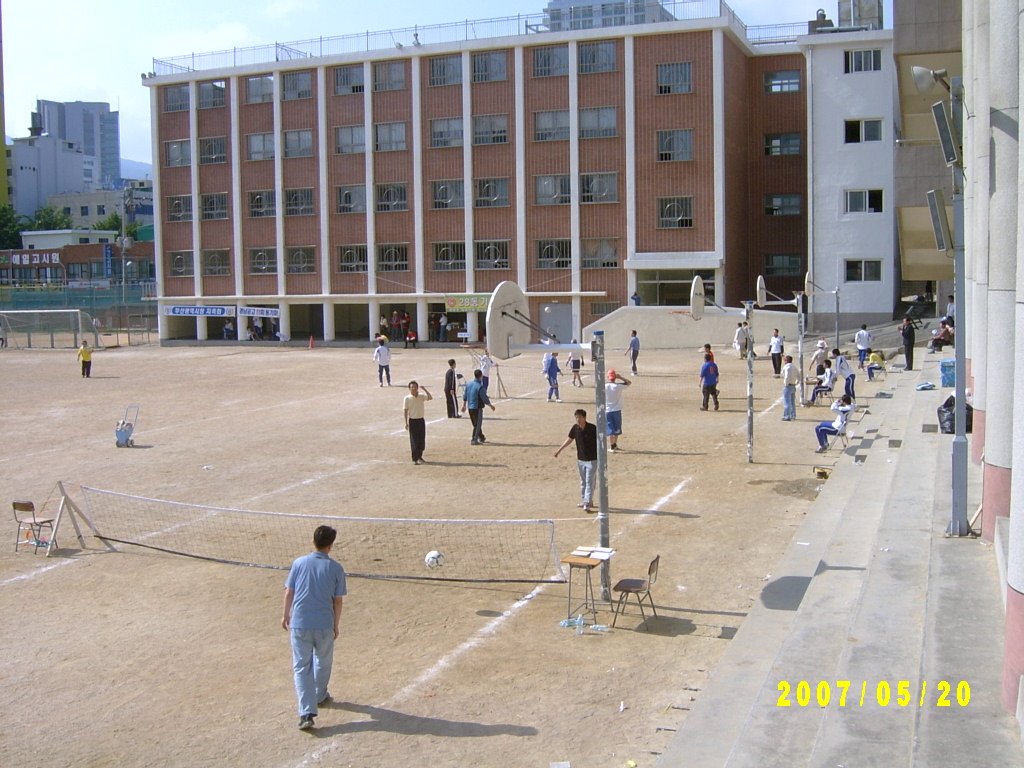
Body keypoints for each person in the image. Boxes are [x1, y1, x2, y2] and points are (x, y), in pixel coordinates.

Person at [282, 525, 347, 731]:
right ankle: (319, 695)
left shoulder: (299, 563)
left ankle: (306, 712)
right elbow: (338, 601)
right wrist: (336, 625)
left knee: (301, 667)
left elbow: (289, 592)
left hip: (300, 623)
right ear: (331, 545)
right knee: (323, 662)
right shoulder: (336, 568)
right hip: (324, 624)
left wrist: (286, 615)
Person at [553, 409, 598, 512]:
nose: (578, 419)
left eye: (580, 417)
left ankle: (587, 502)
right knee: (583, 482)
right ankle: (586, 500)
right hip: (581, 460)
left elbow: (600, 441)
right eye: (576, 417)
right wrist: (559, 450)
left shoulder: (592, 428)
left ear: (584, 417)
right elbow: (569, 439)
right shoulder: (575, 428)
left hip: (592, 460)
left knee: (589, 481)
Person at [403, 381, 432, 464]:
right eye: (412, 387)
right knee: (414, 440)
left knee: (421, 440)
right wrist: (406, 423)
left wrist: (425, 389)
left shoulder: (421, 396)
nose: (413, 388)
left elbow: (430, 397)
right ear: (409, 388)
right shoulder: (407, 398)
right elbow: (405, 411)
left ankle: (420, 456)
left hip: (421, 420)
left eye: (415, 387)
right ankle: (414, 459)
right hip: (412, 421)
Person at [462, 369, 495, 445]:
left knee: (475, 424)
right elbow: (484, 398)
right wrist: (491, 405)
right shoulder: (480, 386)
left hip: (470, 407)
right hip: (477, 408)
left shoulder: (469, 384)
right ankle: (474, 439)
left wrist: (464, 405)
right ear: (481, 376)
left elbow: (465, 395)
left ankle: (481, 437)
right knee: (477, 424)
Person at [605, 369, 631, 451]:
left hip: (608, 411)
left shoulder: (604, 386)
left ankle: (613, 446)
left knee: (611, 430)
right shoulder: (618, 386)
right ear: (615, 377)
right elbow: (629, 382)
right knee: (616, 429)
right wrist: (620, 377)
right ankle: (614, 445)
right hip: (617, 410)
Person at [781, 354, 799, 421]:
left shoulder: (786, 367)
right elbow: (799, 375)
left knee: (787, 402)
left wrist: (786, 384)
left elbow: (786, 376)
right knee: (792, 402)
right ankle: (793, 415)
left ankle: (787, 416)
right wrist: (797, 382)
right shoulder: (794, 367)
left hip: (788, 386)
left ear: (786, 360)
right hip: (793, 385)